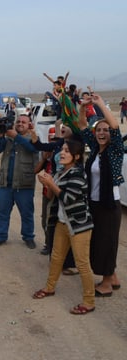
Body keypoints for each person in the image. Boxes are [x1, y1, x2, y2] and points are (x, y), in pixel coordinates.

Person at [33, 139, 95, 315]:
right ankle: (49, 287)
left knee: (82, 264)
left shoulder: (78, 174)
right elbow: (53, 195)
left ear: (76, 156)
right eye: (62, 150)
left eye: (67, 151)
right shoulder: (62, 172)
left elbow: (67, 199)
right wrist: (47, 183)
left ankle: (89, 301)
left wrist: (51, 183)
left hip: (79, 225)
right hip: (63, 222)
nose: (62, 153)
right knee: (56, 257)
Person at [75, 93, 123, 297]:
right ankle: (112, 276)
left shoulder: (115, 150)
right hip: (95, 202)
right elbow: (82, 124)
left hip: (109, 205)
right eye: (99, 130)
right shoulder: (95, 149)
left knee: (106, 242)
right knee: (100, 241)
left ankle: (105, 284)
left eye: (105, 131)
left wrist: (100, 104)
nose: (102, 133)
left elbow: (114, 126)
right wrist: (83, 107)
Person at [30, 121, 78, 274]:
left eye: (66, 125)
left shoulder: (77, 144)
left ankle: (70, 263)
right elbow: (39, 145)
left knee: (69, 225)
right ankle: (55, 259)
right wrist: (32, 131)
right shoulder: (59, 144)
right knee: (52, 223)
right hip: (54, 187)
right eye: (62, 126)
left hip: (68, 188)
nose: (63, 128)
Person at [0, 114, 39, 249]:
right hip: (6, 183)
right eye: (18, 122)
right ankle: (1, 236)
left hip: (24, 184)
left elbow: (33, 148)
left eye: (24, 122)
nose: (20, 124)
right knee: (3, 212)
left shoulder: (33, 139)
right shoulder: (8, 138)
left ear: (29, 125)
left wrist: (15, 136)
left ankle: (28, 237)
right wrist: (1, 135)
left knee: (27, 213)